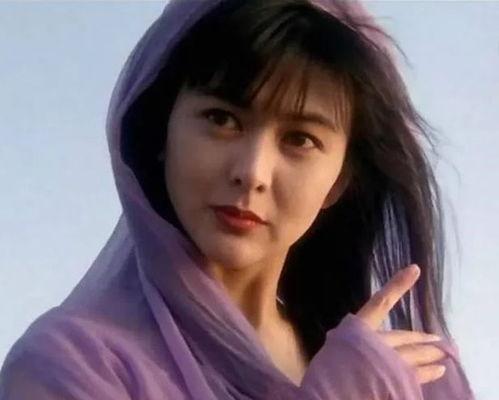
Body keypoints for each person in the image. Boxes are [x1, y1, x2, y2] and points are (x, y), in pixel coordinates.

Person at [0, 0, 475, 398]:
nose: (252, 172)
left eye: (300, 139)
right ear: (162, 132)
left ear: (339, 181)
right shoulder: (68, 366)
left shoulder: (404, 376)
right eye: (222, 119)